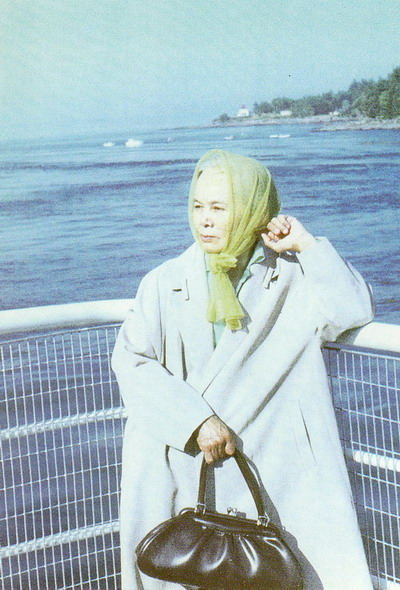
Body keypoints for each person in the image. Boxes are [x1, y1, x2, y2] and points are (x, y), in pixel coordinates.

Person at [112, 149, 374, 590]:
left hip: (274, 464)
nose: (204, 220)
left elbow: (352, 310)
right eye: (198, 206)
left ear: (253, 211)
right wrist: (196, 420)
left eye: (219, 208)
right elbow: (132, 361)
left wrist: (307, 246)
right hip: (189, 459)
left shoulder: (293, 276)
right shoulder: (164, 281)